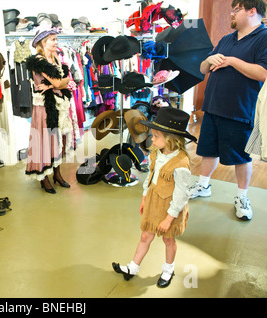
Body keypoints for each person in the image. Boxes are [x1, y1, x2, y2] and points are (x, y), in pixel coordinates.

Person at [189, 0, 267, 221]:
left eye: (236, 9)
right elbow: (204, 69)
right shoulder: (226, 39)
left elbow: (263, 72)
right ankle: (203, 185)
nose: (232, 14)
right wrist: (208, 60)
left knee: (241, 157)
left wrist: (232, 61)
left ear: (252, 11)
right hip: (213, 106)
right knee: (208, 149)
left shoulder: (263, 38)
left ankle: (242, 196)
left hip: (240, 109)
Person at [112, 107, 196, 288]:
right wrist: (144, 197)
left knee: (168, 239)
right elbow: (151, 177)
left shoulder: (181, 164)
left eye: (156, 136)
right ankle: (133, 267)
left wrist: (169, 218)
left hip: (171, 207)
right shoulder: (156, 153)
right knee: (145, 236)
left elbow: (182, 196)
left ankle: (168, 270)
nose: (152, 139)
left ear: (171, 140)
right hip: (153, 201)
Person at [24, 26, 75, 194]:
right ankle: (44, 178)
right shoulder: (38, 60)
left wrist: (60, 82)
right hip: (44, 105)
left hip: (58, 103)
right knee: (44, 141)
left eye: (56, 39)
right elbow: (60, 83)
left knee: (57, 141)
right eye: (53, 39)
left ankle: (57, 175)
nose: (56, 42)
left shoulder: (55, 59)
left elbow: (62, 82)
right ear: (43, 42)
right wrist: (62, 81)